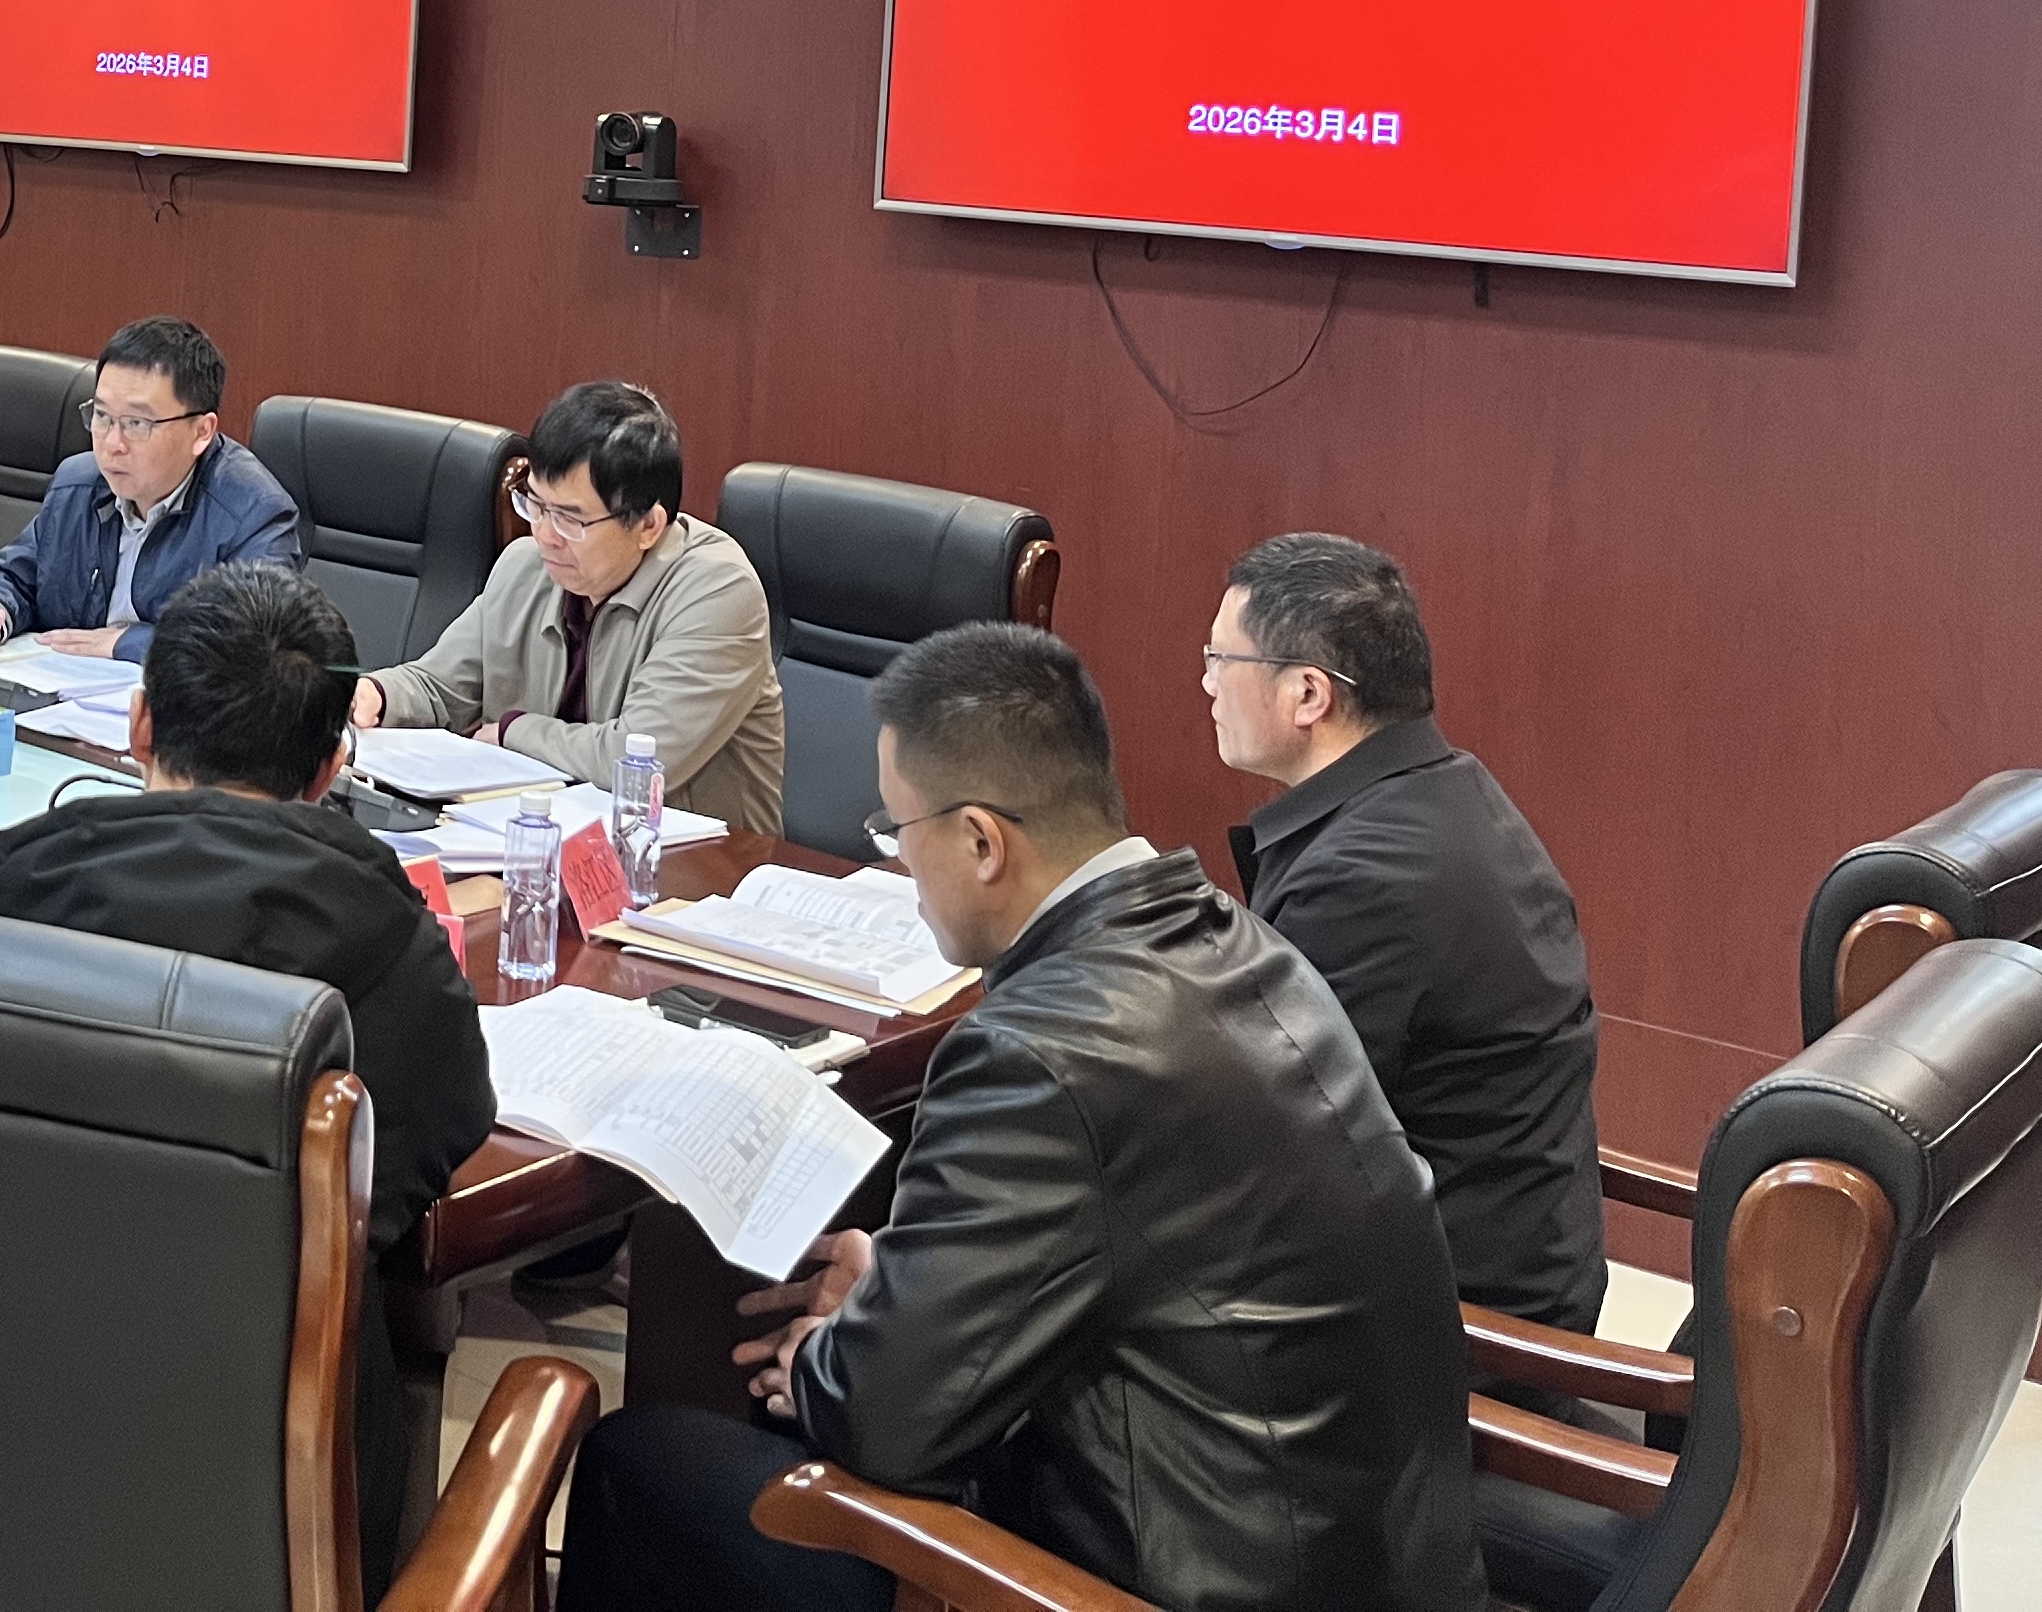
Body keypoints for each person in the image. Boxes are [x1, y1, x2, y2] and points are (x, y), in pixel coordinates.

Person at [560, 623, 1483, 1612]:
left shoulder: (1036, 1052)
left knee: (639, 1462)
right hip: (1367, 1557)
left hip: (1181, 1575)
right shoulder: (1246, 946)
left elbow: (883, 1425)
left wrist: (834, 1353)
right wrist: (910, 1288)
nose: (900, 865)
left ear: (981, 842)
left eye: (896, 832)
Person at [0, 559, 494, 1587]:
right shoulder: (395, 946)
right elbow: (435, 1147)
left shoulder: (10, 894)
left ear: (140, 727)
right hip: (281, 1504)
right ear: (330, 769)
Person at [1210, 531, 1604, 1330]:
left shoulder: (1365, 881)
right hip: (1497, 1264)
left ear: (1309, 695)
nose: (1208, 683)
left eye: (1222, 659)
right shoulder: (1444, 794)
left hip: (1450, 1331)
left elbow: (1260, 1146)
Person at [351, 381, 784, 831]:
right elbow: (439, 688)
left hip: (693, 860)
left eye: (569, 518)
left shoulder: (718, 591)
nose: (544, 534)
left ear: (648, 526)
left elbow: (634, 761)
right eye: (536, 505)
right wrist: (378, 695)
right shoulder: (525, 567)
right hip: (536, 838)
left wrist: (512, 731)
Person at [0, 316, 298, 659]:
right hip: (60, 691)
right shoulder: (79, 485)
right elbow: (17, 575)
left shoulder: (253, 512)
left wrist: (127, 643)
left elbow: (253, 645)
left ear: (201, 432)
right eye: (102, 416)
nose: (113, 443)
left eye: (137, 423)